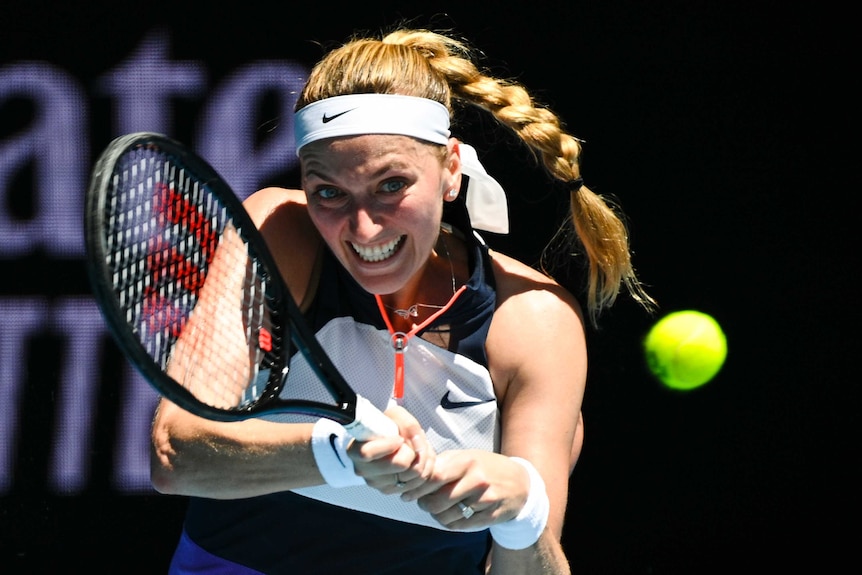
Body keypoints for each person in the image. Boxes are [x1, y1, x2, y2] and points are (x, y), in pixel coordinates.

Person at [150, 26, 654, 575]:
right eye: (329, 192)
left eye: (391, 185)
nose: (363, 229)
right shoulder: (281, 232)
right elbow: (178, 452)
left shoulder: (533, 320)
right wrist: (338, 453)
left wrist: (524, 514)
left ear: (451, 170)